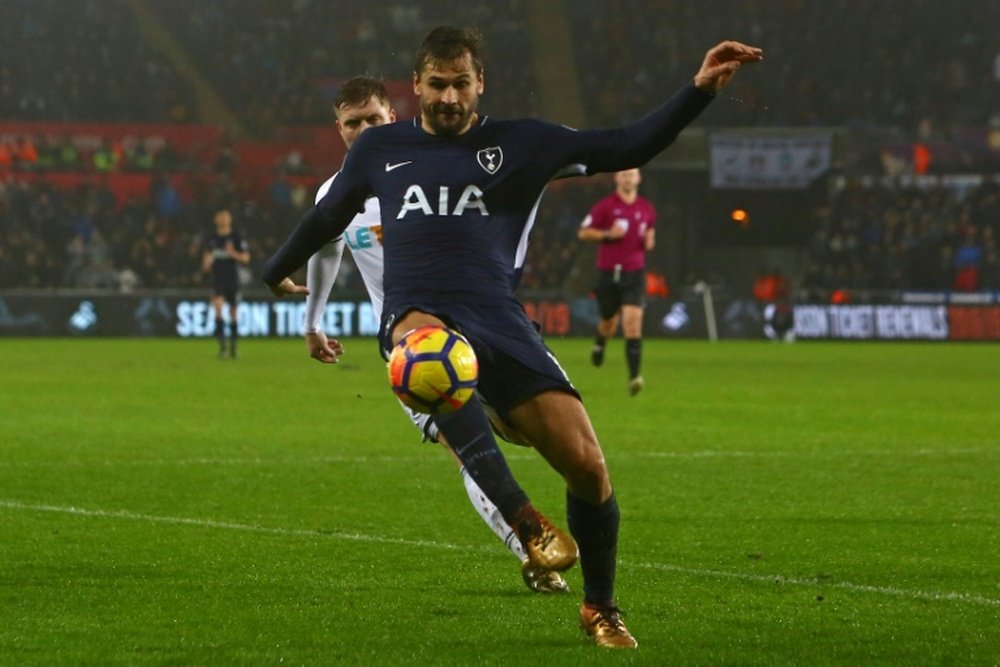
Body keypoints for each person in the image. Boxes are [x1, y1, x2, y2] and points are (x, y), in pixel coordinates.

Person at [264, 27, 762, 648]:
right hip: (417, 316)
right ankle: (525, 521)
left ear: (479, 85)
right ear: (416, 87)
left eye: (460, 84)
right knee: (427, 363)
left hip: (499, 319)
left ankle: (599, 608)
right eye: (437, 85)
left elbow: (627, 143)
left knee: (589, 469)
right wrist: (271, 272)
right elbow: (323, 218)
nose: (448, 97)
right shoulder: (380, 150)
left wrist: (699, 90)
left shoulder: (524, 142)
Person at [275, 76, 567, 593]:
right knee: (462, 449)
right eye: (351, 123)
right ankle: (531, 548)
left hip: (484, 322)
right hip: (413, 346)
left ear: (393, 115)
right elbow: (326, 249)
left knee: (534, 432)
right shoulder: (335, 192)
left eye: (372, 119)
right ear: (337, 129)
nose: (363, 130)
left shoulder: (434, 168)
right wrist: (312, 322)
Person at [577, 168, 656, 395]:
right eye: (624, 175)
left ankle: (634, 377)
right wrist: (607, 235)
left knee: (632, 323)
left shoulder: (646, 208)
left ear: (639, 178)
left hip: (634, 273)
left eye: (632, 175)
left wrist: (650, 240)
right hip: (609, 272)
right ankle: (600, 342)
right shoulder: (606, 206)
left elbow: (650, 234)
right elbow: (584, 232)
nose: (628, 178)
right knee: (609, 322)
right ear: (617, 179)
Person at [201, 206, 249, 359]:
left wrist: (232, 253)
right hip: (217, 279)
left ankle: (233, 347)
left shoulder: (236, 237)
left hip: (232, 278)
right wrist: (207, 263)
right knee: (218, 308)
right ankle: (222, 348)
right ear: (216, 219)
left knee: (233, 312)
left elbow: (246, 258)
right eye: (219, 216)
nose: (222, 219)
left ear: (230, 219)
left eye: (225, 216)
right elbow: (205, 263)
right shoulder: (211, 239)